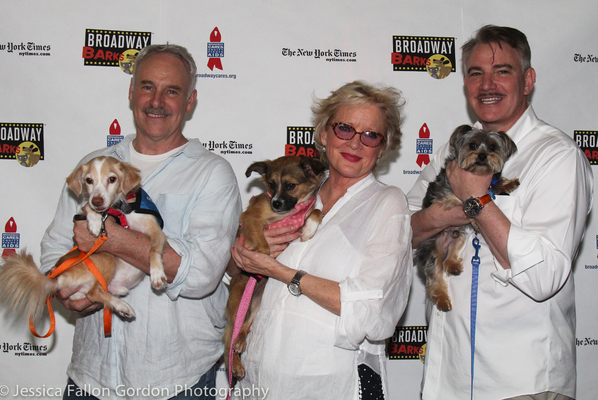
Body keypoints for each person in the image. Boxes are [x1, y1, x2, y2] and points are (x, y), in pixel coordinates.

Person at [40, 44, 242, 400]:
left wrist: (113, 239)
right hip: (92, 377)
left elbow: (201, 276)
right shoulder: (94, 165)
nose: (157, 101)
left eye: (172, 91)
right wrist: (66, 289)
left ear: (190, 100)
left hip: (176, 379)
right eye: (148, 87)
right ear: (131, 92)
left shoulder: (212, 173)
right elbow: (55, 249)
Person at [408, 25, 593, 400]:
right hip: (447, 378)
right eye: (476, 73)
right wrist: (445, 214)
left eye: (502, 71)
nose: (487, 84)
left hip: (522, 383)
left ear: (528, 81)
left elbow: (544, 278)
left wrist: (478, 201)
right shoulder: (454, 148)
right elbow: (402, 231)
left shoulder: (557, 157)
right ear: (464, 83)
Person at [230, 81, 413, 399]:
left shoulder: (388, 203)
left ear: (382, 148)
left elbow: (372, 313)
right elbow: (237, 279)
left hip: (331, 384)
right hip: (259, 379)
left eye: (370, 135)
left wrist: (282, 272)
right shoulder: (290, 196)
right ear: (324, 134)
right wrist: (244, 259)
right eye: (344, 128)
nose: (355, 143)